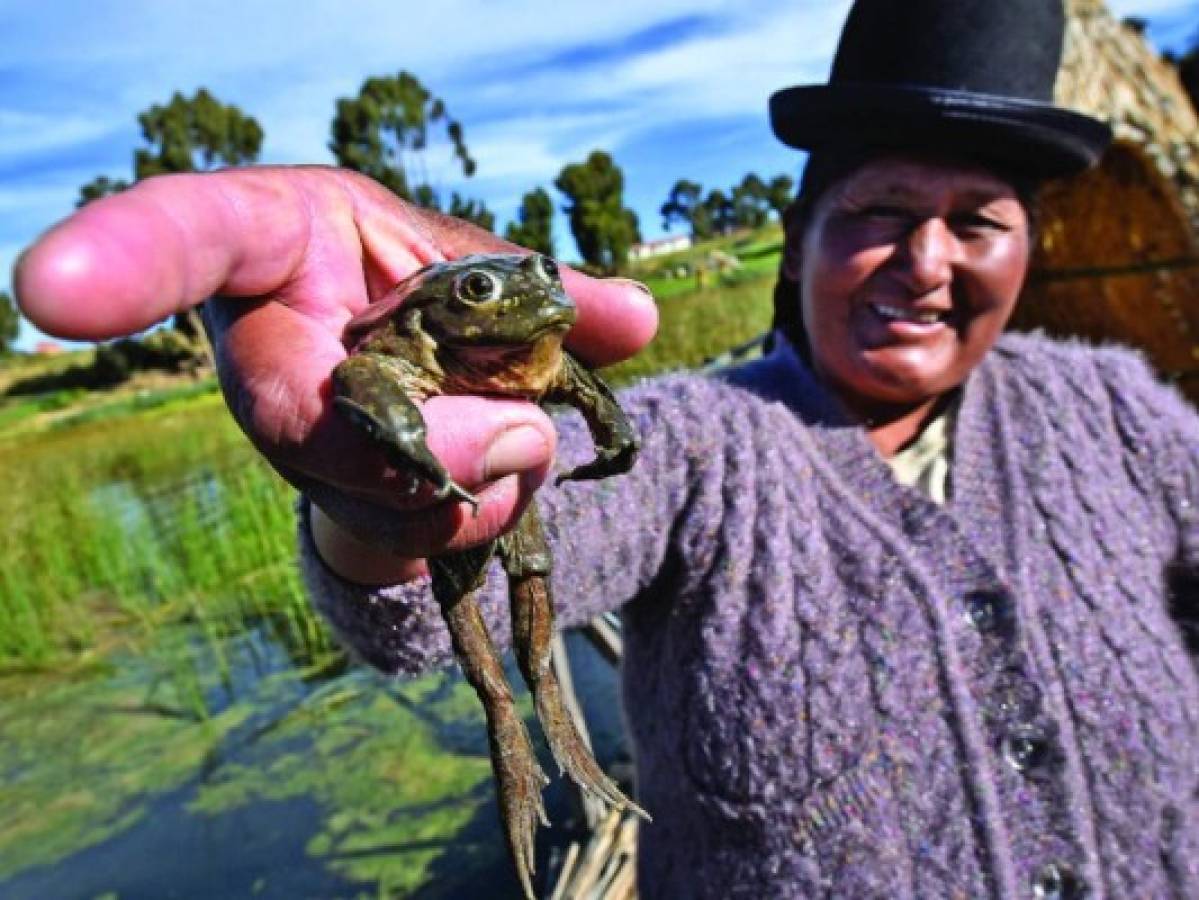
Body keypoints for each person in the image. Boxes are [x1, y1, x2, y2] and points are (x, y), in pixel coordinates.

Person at [14, 0, 1199, 896]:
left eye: (977, 222)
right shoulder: (701, 444)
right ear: (797, 245)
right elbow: (431, 595)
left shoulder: (1121, 409)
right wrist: (378, 503)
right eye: (879, 212)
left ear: (1029, 252)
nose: (926, 262)